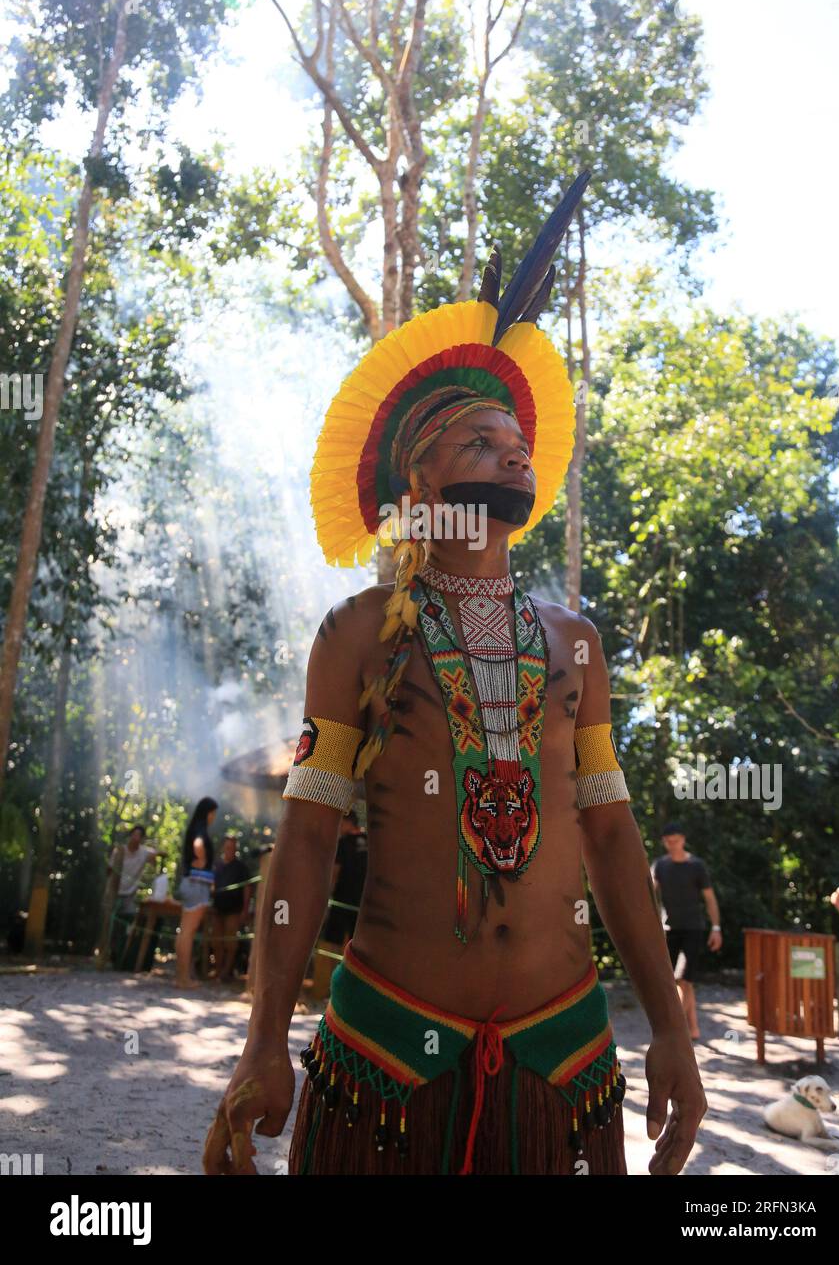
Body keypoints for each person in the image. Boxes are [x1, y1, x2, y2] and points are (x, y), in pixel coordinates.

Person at [203, 172, 706, 1177]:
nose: (512, 456)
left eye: (518, 443)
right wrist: (263, 1041)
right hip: (389, 1052)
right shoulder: (355, 634)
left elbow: (609, 833)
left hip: (563, 1055)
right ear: (419, 479)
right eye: (480, 439)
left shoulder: (576, 642)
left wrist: (673, 1033)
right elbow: (304, 839)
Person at [650, 823, 722, 1041]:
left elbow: (710, 898)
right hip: (668, 929)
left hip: (693, 928)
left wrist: (716, 928)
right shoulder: (659, 866)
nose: (672, 845)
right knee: (677, 982)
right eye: (667, 841)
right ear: (664, 842)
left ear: (683, 839)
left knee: (684, 978)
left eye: (675, 840)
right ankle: (693, 1027)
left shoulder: (696, 866)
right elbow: (648, 895)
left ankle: (676, 1029)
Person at [175, 797, 218, 990]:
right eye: (213, 813)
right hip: (197, 885)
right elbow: (198, 845)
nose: (213, 817)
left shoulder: (194, 826)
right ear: (209, 812)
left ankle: (181, 977)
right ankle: (184, 979)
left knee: (184, 932)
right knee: (188, 933)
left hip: (189, 884)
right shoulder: (200, 829)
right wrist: (202, 858)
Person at [105, 826, 162, 967]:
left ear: (142, 839)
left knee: (128, 924)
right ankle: (107, 954)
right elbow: (110, 870)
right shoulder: (120, 851)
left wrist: (156, 856)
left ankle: (121, 956)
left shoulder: (144, 852)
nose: (135, 838)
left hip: (129, 895)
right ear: (129, 836)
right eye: (134, 835)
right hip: (114, 892)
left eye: (139, 836)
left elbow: (157, 855)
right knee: (110, 925)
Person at [321, 810, 368, 950]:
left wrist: (326, 897)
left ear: (347, 822)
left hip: (341, 901)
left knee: (332, 942)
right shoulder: (371, 842)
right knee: (357, 946)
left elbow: (335, 872)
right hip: (362, 904)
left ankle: (328, 971)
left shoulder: (343, 843)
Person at [212, 835, 251, 981]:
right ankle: (217, 970)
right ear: (224, 847)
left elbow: (247, 888)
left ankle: (225, 972)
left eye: (233, 848)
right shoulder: (217, 865)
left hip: (234, 910)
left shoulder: (241, 867)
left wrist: (245, 910)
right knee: (216, 941)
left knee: (230, 942)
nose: (231, 850)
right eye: (228, 847)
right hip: (217, 909)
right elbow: (211, 884)